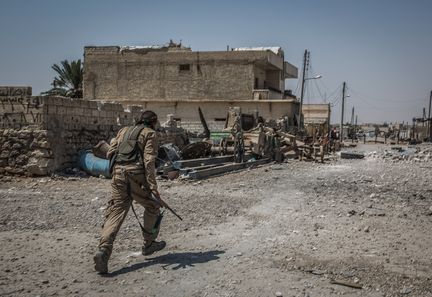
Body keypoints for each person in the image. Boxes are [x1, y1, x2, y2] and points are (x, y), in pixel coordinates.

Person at [93, 110, 166, 274]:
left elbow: (110, 152)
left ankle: (103, 249)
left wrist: (115, 172)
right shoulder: (150, 134)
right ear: (153, 122)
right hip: (136, 176)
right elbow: (149, 161)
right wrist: (153, 188)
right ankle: (148, 244)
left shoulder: (123, 131)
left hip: (118, 174)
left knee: (116, 211)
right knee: (153, 207)